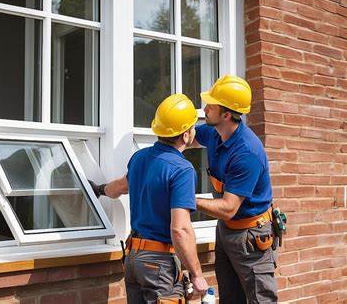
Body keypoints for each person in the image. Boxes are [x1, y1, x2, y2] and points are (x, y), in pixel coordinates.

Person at [90, 94, 209, 303]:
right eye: (192, 127)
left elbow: (120, 187)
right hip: (159, 263)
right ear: (186, 135)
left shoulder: (139, 158)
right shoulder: (182, 170)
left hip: (133, 258)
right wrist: (197, 274)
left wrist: (98, 189)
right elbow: (180, 229)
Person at [192, 75, 278, 304]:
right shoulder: (214, 133)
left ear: (227, 114)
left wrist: (186, 199)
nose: (205, 107)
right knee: (230, 298)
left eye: (211, 105)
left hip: (251, 236)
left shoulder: (246, 152)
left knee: (261, 300)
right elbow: (186, 137)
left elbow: (229, 208)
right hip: (226, 229)